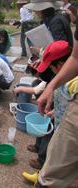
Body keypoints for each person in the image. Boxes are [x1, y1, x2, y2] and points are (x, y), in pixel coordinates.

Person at [34, 17, 78, 187]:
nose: (51, 72)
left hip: (64, 125)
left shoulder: (69, 86)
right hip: (61, 120)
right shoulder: (63, 82)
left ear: (60, 64)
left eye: (51, 67)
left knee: (54, 169)